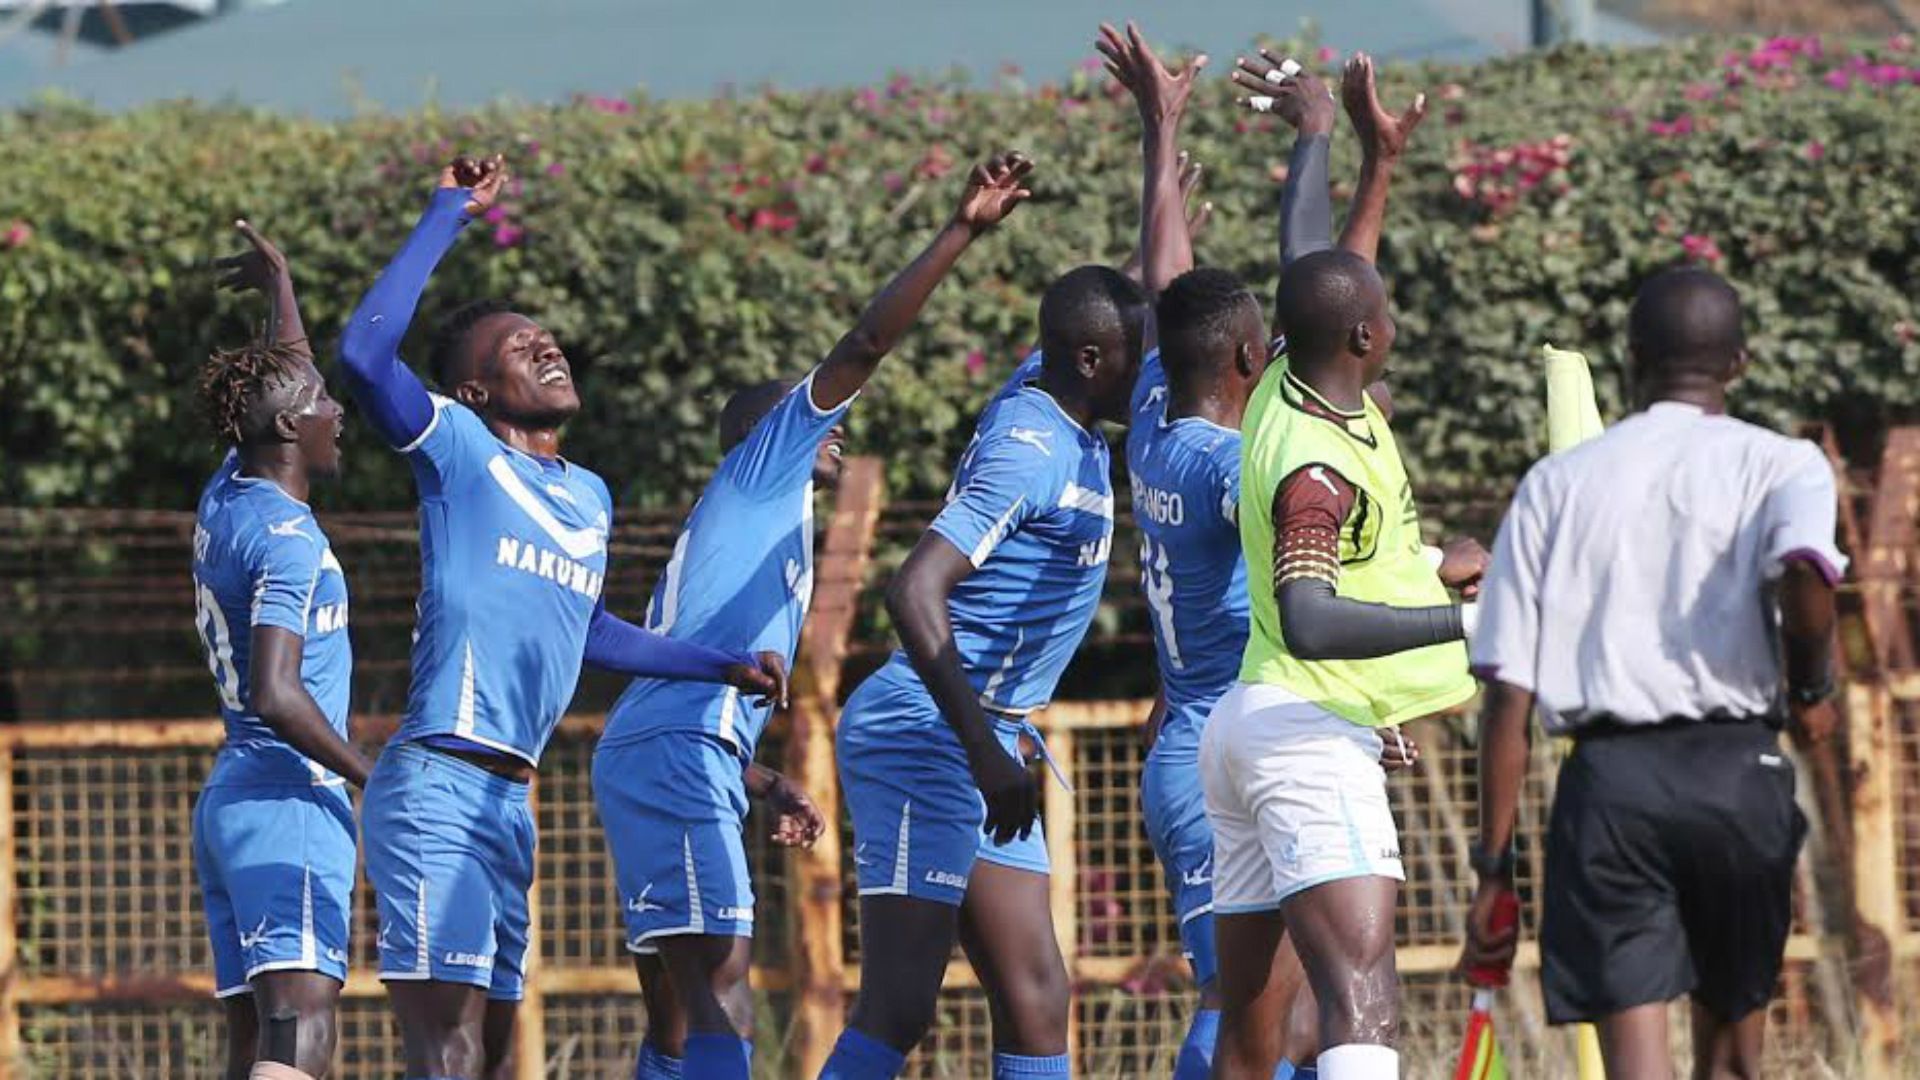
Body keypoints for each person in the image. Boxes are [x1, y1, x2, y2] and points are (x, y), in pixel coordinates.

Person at [336, 156, 786, 1080]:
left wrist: (719, 665)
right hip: (438, 784)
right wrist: (448, 212)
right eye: (518, 346)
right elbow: (363, 356)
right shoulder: (460, 452)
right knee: (447, 1054)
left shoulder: (589, 494)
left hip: (511, 802)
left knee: (498, 1057)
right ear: (473, 393)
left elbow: (587, 629)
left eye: (548, 339)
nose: (547, 350)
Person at [594, 152, 1035, 1080]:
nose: (834, 426)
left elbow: (674, 685)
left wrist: (759, 778)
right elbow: (864, 346)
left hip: (677, 752)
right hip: (672, 758)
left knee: (677, 1014)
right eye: (810, 419)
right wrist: (961, 230)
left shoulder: (759, 526)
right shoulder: (762, 470)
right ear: (769, 433)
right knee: (723, 995)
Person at [1459, 267, 1844, 1080]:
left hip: (1612, 789)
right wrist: (1812, 689)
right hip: (1737, 773)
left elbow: (1507, 696)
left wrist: (1494, 869)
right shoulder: (1783, 465)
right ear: (1739, 363)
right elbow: (1809, 573)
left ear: (1632, 358)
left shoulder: (1556, 484)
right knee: (1732, 1063)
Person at [1120, 46, 1417, 1080]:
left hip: (1188, 746)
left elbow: (1176, 287)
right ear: (1253, 359)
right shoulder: (1238, 463)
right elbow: (1330, 311)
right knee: (1284, 1017)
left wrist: (1161, 132)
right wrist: (1327, 144)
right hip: (1257, 733)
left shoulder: (1153, 421)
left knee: (1257, 1015)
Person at [1203, 56, 1492, 1080]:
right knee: (1362, 998)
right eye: (1388, 311)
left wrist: (1323, 137)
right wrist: (1468, 624)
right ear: (1367, 336)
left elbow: (1310, 258)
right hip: (1306, 733)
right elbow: (1312, 616)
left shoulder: (1297, 380)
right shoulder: (1315, 467)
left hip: (1254, 726)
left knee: (1252, 1034)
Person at [191, 222, 371, 1080]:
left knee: (256, 1044)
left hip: (232, 801)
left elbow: (280, 384)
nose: (340, 413)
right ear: (296, 426)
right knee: (301, 1035)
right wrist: (376, 776)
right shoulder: (289, 542)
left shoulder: (229, 490)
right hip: (290, 799)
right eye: (326, 404)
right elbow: (277, 691)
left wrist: (282, 289)